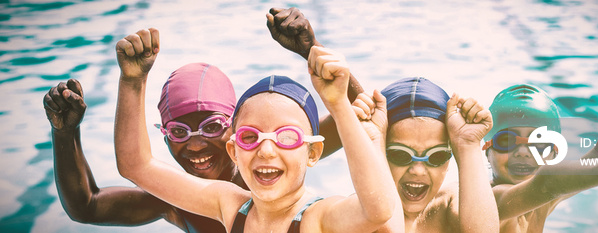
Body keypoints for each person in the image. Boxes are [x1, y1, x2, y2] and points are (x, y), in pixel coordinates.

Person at [42, 8, 362, 232]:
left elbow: (363, 123)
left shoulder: (277, 154)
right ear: (164, 137)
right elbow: (87, 206)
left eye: (211, 127)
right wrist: (64, 133)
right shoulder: (176, 199)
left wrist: (312, 49)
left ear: (236, 130)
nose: (195, 144)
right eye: (179, 132)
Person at [113, 21, 397, 232]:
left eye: (287, 137)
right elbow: (136, 166)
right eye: (251, 137)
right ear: (234, 151)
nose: (267, 150)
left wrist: (339, 106)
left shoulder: (318, 218)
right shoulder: (231, 206)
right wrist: (132, 82)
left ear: (313, 153)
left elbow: (379, 210)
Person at [483, 26, 598, 232]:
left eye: (539, 143)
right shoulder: (487, 203)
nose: (523, 152)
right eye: (506, 140)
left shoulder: (540, 202)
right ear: (487, 151)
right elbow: (547, 184)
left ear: (553, 152)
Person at [351, 77, 499, 232]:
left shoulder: (447, 205)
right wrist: (374, 143)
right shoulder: (355, 213)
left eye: (437, 156)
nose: (418, 170)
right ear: (381, 152)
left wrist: (468, 145)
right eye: (400, 155)